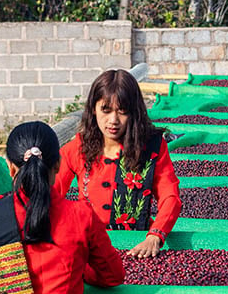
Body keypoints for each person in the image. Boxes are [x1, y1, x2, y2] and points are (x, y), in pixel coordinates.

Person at [0, 121, 125, 294]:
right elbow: (114, 276)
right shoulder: (81, 214)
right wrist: (80, 271)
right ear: (58, 164)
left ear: (10, 168)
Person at [54, 69, 181, 258]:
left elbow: (170, 196)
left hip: (138, 247)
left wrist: (155, 236)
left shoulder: (152, 146)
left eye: (122, 111)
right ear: (93, 108)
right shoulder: (78, 148)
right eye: (105, 110)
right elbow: (51, 194)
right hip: (89, 248)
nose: (113, 120)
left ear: (134, 112)